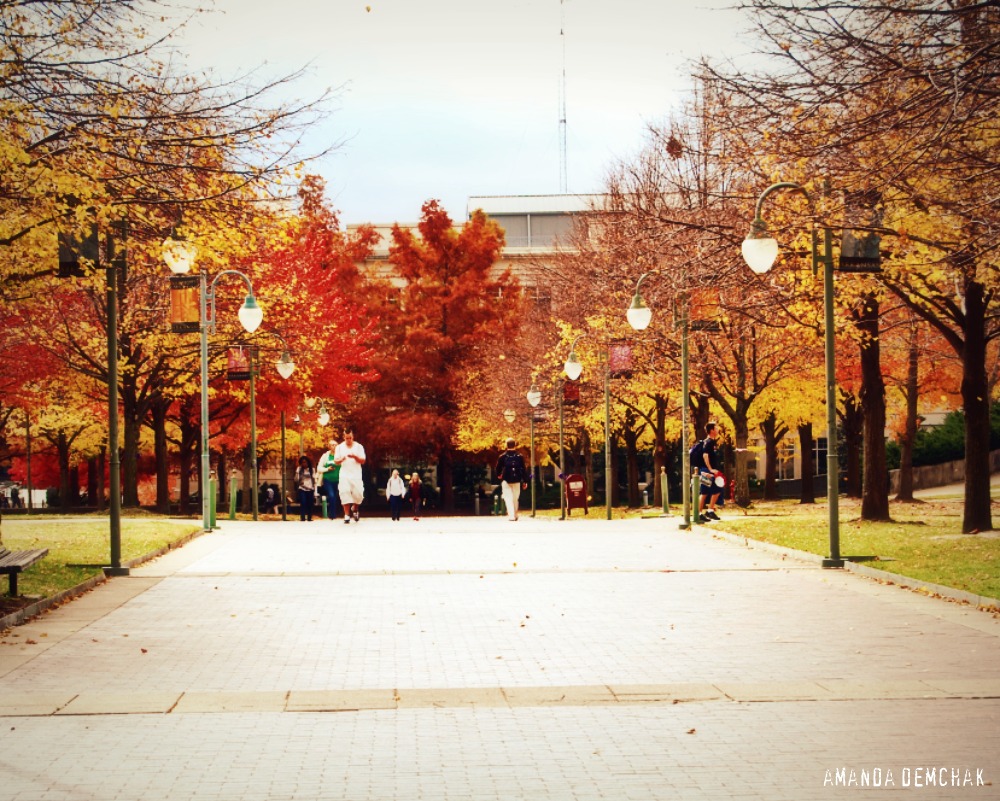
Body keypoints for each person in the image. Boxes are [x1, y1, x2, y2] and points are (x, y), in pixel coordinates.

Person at [334, 428, 366, 523]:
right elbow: (336, 461)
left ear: (353, 437)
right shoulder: (339, 447)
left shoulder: (359, 447)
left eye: (350, 438)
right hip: (344, 474)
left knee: (359, 494)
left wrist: (355, 457)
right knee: (345, 492)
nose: (349, 440)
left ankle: (355, 508)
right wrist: (341, 459)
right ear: (344, 437)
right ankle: (347, 515)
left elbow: (363, 460)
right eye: (347, 438)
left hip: (356, 474)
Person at [495, 438, 528, 522]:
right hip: (517, 480)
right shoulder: (520, 457)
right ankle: (514, 514)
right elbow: (523, 469)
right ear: (515, 445)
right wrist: (525, 481)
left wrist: (499, 475)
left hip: (506, 480)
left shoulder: (502, 457)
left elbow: (498, 468)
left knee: (508, 498)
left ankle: (512, 515)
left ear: (506, 445)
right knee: (514, 498)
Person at [698, 422, 724, 521]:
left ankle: (710, 511)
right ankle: (699, 514)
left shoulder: (712, 442)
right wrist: (710, 469)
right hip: (706, 471)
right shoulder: (708, 442)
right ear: (712, 430)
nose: (717, 429)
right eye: (716, 428)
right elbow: (705, 456)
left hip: (711, 471)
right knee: (704, 493)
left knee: (717, 490)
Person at [316, 439, 341, 519]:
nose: (334, 446)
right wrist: (327, 469)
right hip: (328, 480)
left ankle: (338, 513)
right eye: (332, 445)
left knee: (338, 497)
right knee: (331, 495)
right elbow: (319, 468)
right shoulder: (325, 456)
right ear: (329, 447)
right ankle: (332, 515)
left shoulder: (341, 456)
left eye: (335, 445)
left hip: (339, 480)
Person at [295, 456, 316, 521]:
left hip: (310, 488)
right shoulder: (299, 469)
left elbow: (314, 479)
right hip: (302, 488)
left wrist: (315, 490)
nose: (304, 464)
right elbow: (296, 479)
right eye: (302, 462)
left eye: (305, 462)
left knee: (310, 503)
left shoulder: (312, 469)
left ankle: (309, 517)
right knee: (303, 502)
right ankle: (302, 517)